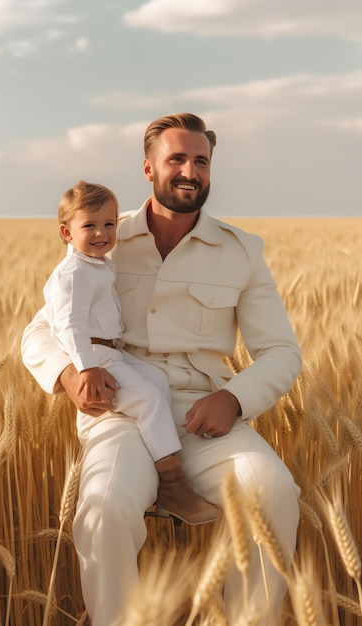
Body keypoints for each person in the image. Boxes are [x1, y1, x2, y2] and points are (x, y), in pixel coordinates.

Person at [22, 112, 302, 626]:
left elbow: (282, 351)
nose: (189, 171)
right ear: (148, 169)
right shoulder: (102, 235)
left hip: (203, 415)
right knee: (103, 510)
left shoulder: (241, 252)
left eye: (201, 161)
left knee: (274, 491)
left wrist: (234, 399)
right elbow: (41, 331)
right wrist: (70, 375)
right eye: (176, 159)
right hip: (120, 414)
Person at [41, 179, 219, 526]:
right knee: (150, 398)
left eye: (109, 224)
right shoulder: (73, 274)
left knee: (156, 380)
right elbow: (68, 324)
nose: (101, 233)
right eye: (88, 225)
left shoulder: (98, 264)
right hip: (96, 356)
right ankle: (173, 486)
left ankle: (159, 448)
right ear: (66, 232)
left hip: (112, 352)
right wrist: (86, 369)